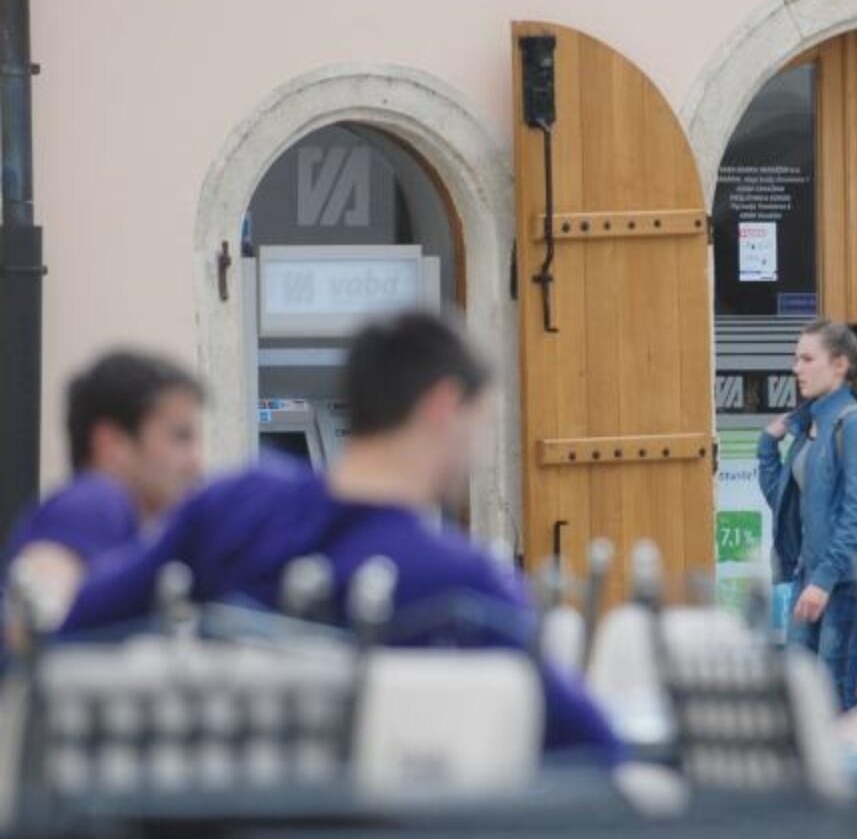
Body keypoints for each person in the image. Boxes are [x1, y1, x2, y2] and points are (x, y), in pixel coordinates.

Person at [61, 312, 620, 762]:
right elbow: (593, 748)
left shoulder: (233, 504)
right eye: (483, 422)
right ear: (445, 405)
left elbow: (79, 625)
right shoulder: (461, 583)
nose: (480, 447)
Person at [4, 351, 204, 633]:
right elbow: (33, 620)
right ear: (112, 444)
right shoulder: (96, 500)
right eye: (180, 437)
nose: (195, 461)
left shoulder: (127, 521)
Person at [759, 319, 857, 710]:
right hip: (812, 578)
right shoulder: (810, 427)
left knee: (835, 699)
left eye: (807, 359)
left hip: (847, 584)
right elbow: (784, 503)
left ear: (840, 365)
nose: (796, 368)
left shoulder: (855, 424)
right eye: (795, 358)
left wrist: (824, 581)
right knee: (802, 696)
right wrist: (767, 447)